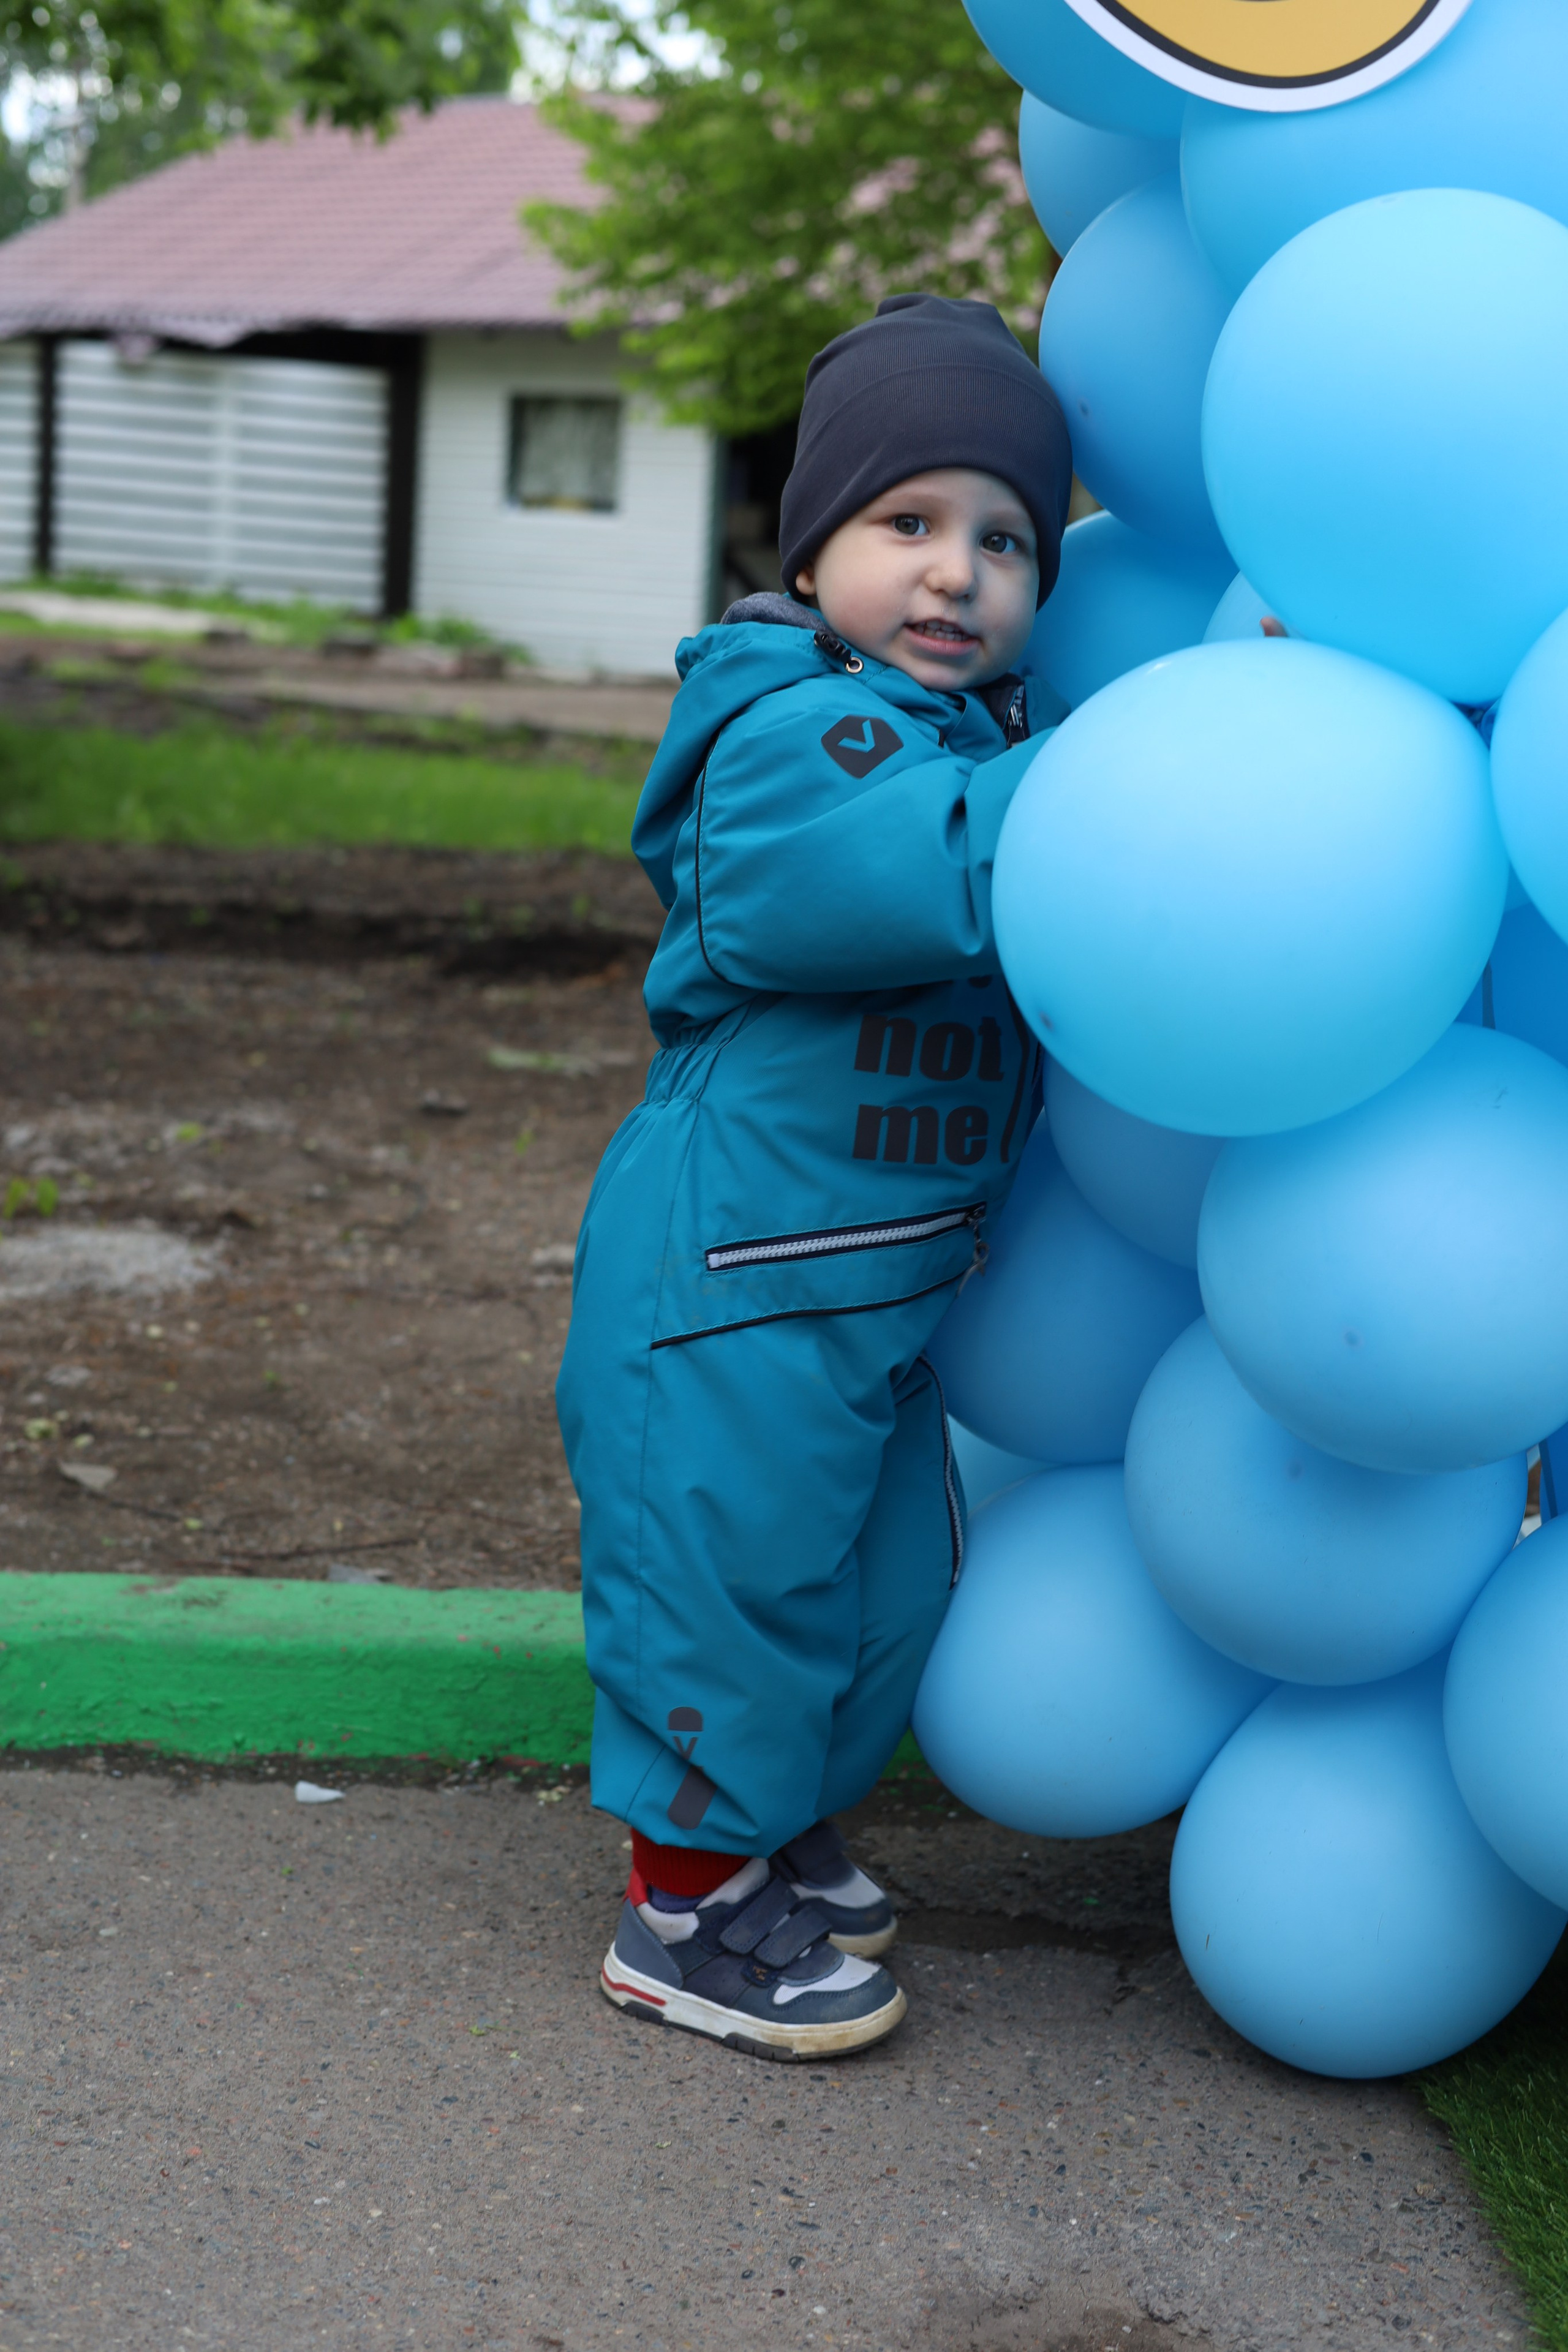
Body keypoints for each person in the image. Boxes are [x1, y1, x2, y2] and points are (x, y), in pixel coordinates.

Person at [557, 292, 1074, 2060]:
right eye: (907, 525)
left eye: (1006, 540)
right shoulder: (792, 730)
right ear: (817, 543)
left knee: (874, 1590)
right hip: (733, 1274)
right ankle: (682, 1904)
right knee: (731, 1563)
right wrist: (1112, 784)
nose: (958, 576)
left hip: (884, 1276)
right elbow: (896, 879)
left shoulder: (979, 740)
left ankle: (774, 1825)